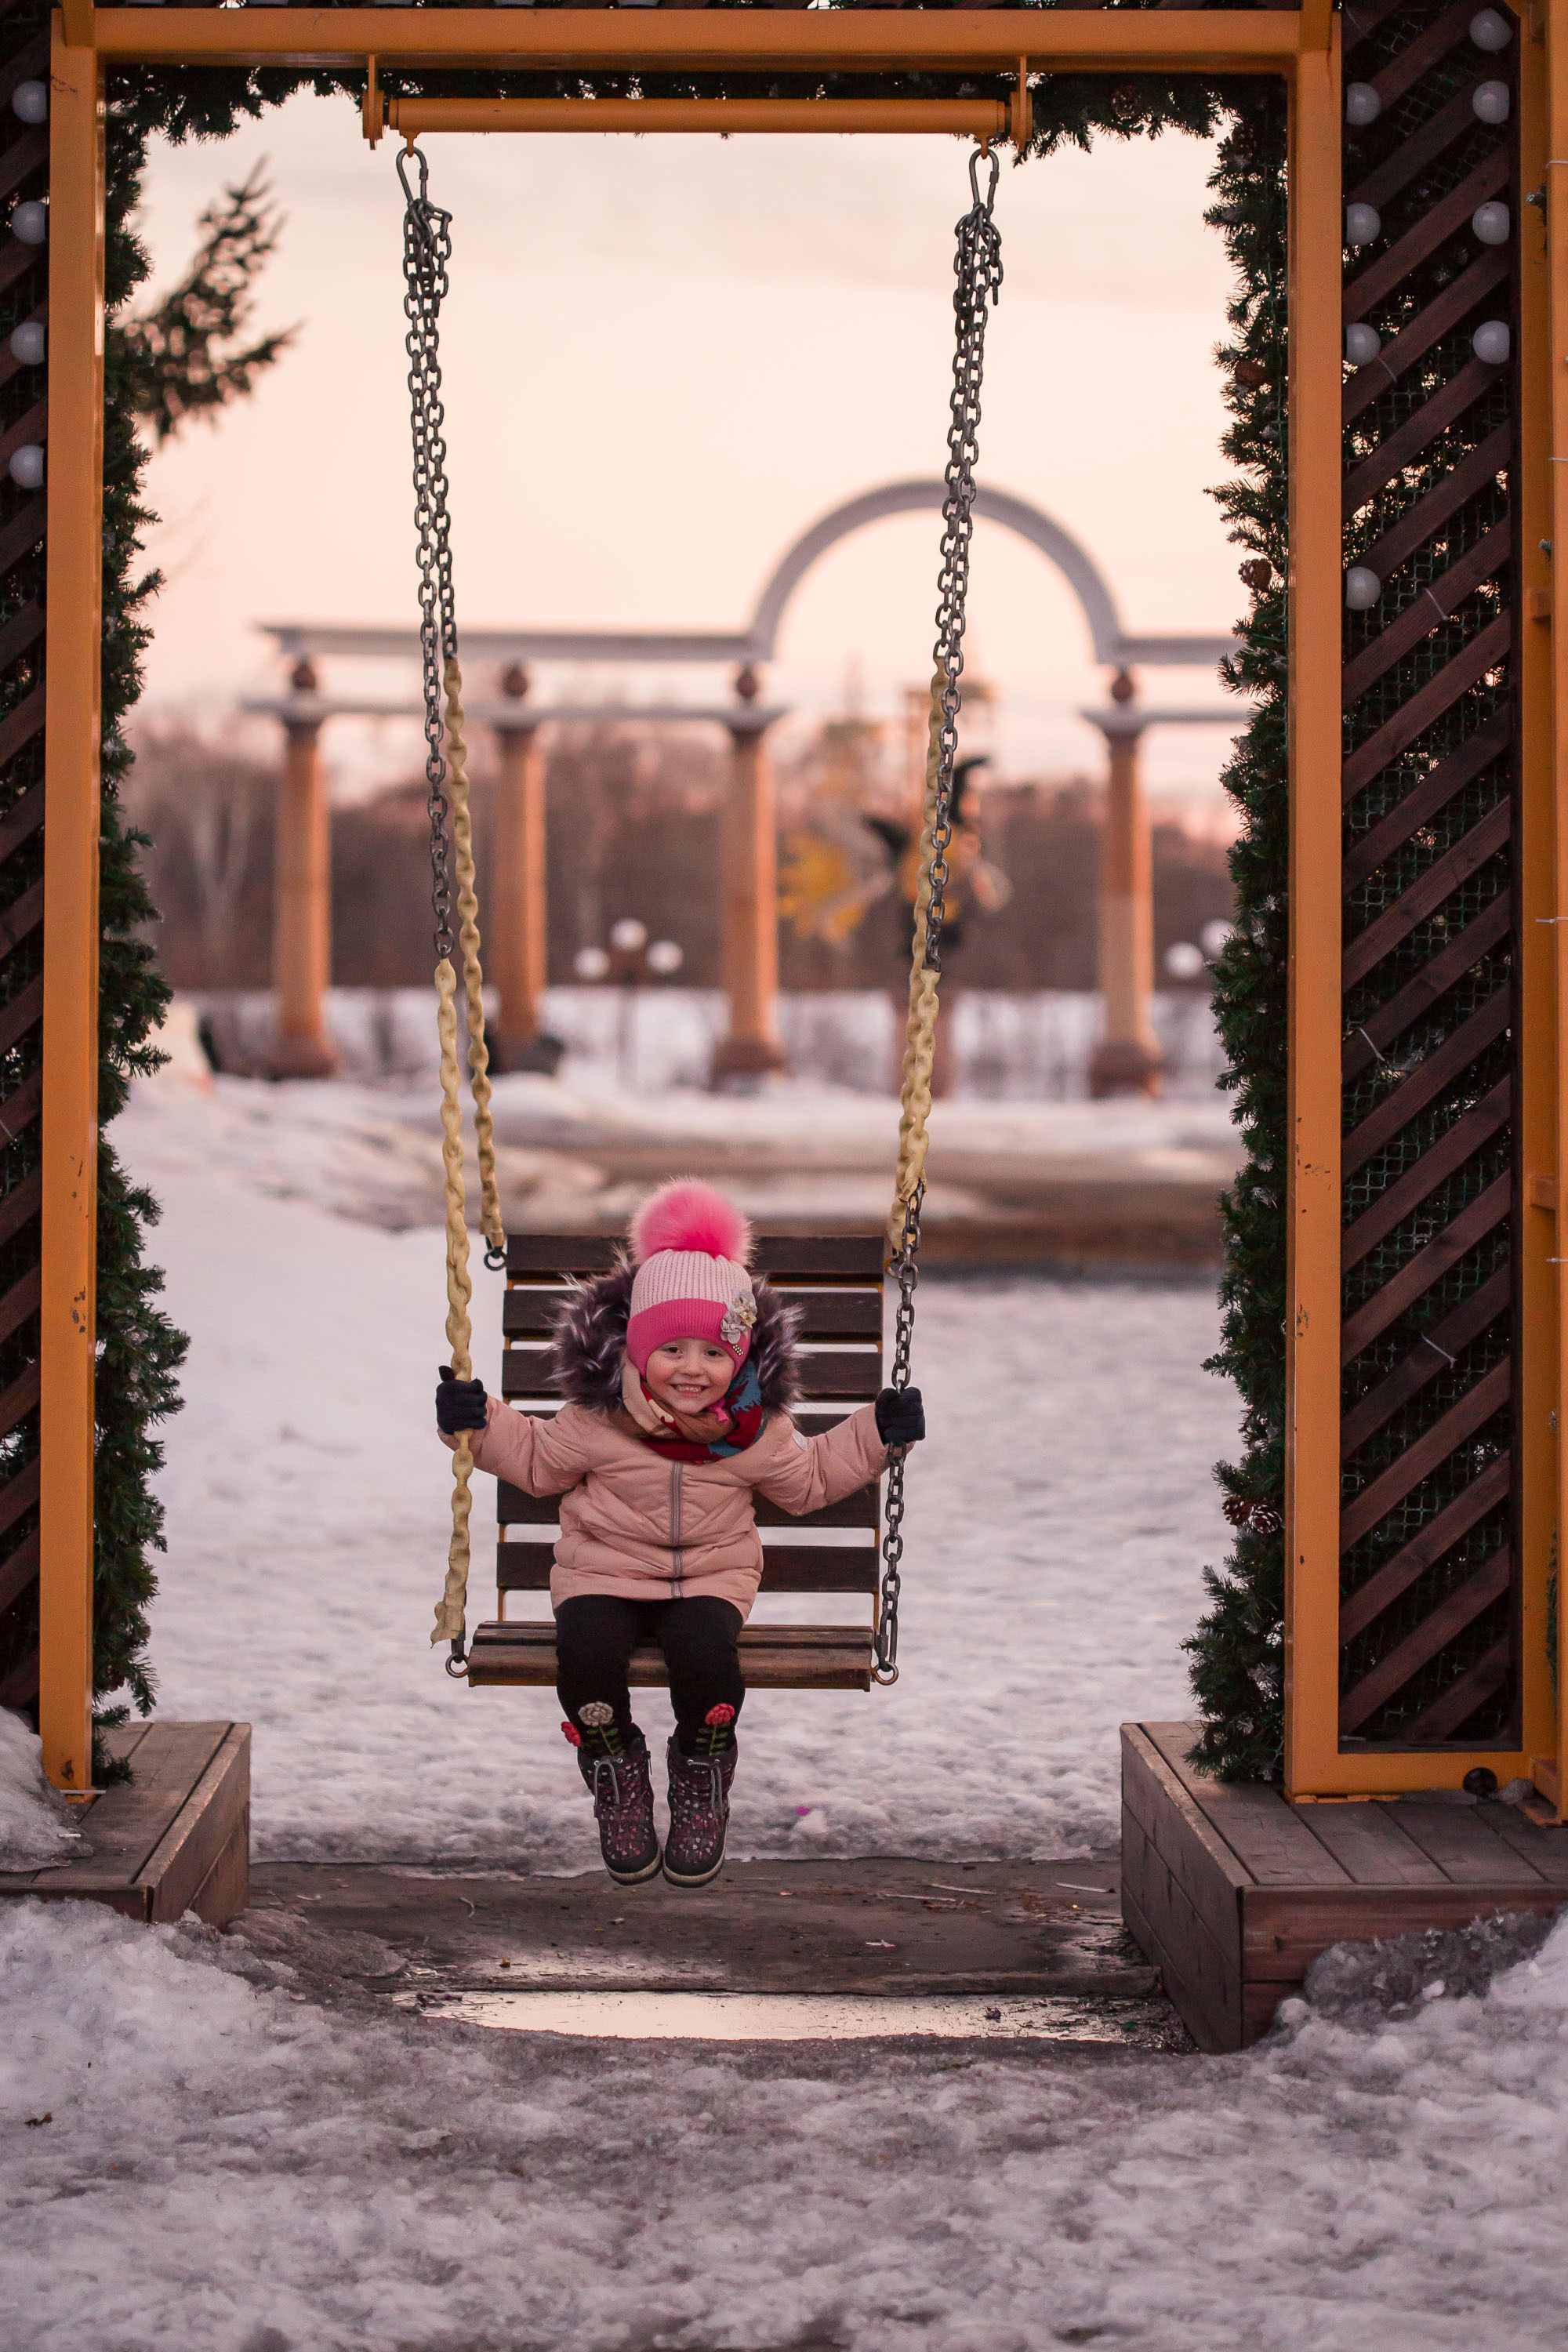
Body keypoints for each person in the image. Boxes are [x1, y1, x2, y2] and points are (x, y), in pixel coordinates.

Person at [436, 1180, 925, 1889]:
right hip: (601, 1574)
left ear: (743, 1359)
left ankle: (701, 1772)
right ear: (635, 1351)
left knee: (707, 1658)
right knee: (586, 1655)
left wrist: (878, 1435)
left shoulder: (756, 1430)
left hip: (711, 1579)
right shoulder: (596, 1419)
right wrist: (475, 1419)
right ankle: (616, 1770)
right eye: (672, 1349)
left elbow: (811, 1479)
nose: (693, 1368)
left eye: (714, 1352)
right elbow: (537, 1463)